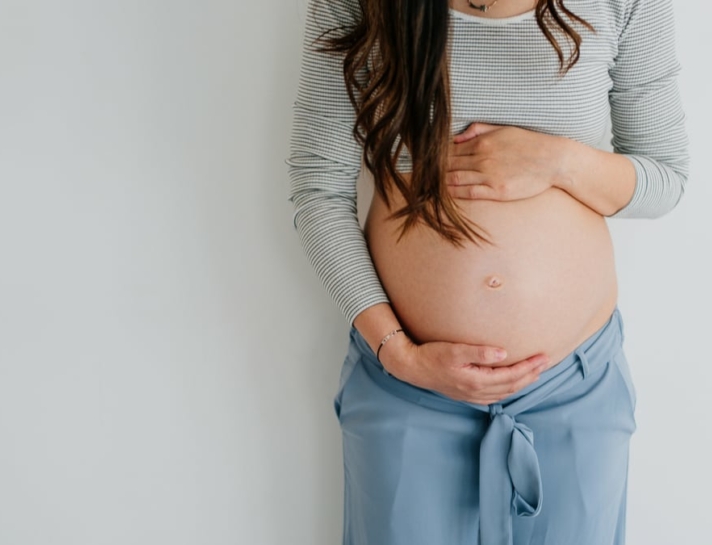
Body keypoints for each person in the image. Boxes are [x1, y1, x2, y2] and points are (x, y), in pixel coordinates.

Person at [285, 0, 689, 543]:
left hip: (573, 386)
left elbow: (664, 177)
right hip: (407, 385)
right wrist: (398, 353)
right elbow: (319, 192)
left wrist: (557, 160)